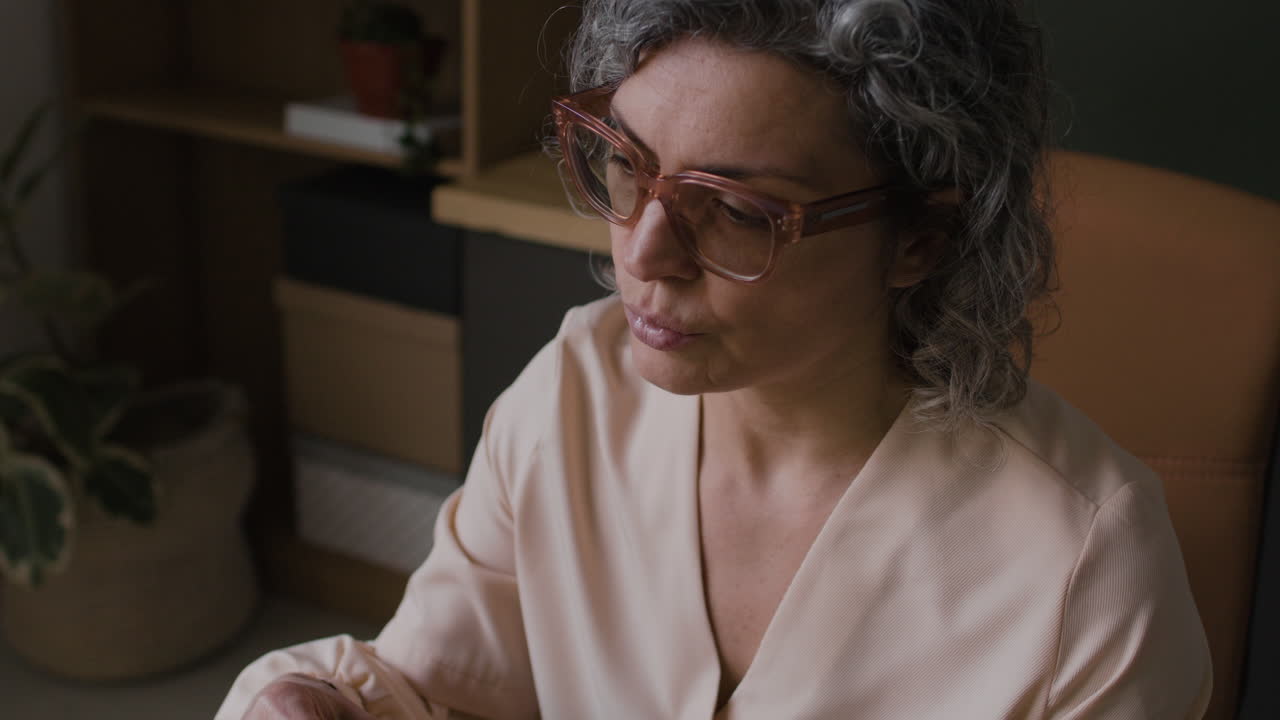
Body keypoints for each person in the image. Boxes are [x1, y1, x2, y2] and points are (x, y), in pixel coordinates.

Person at [218, 1, 1212, 718]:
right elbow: (438, 685)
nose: (642, 254)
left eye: (735, 211)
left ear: (922, 242)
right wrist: (316, 704)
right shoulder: (573, 393)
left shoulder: (1081, 564)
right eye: (625, 165)